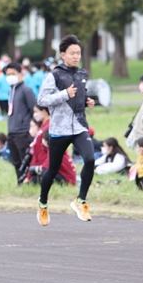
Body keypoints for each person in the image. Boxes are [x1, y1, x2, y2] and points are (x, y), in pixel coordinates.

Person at [35, 35, 96, 226]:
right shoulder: (54, 75)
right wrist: (64, 94)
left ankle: (81, 201)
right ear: (63, 55)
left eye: (78, 53)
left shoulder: (82, 74)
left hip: (79, 126)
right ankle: (43, 204)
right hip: (59, 129)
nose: (76, 56)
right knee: (52, 170)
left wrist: (87, 101)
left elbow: (79, 97)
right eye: (72, 53)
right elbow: (42, 100)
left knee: (90, 159)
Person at [4, 62, 37, 182]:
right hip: (12, 131)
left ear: (20, 74)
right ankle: (20, 182)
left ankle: (29, 181)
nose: (10, 76)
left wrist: (31, 128)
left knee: (25, 159)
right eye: (8, 74)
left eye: (13, 74)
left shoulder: (26, 90)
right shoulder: (11, 90)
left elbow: (34, 110)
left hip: (23, 131)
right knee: (16, 160)